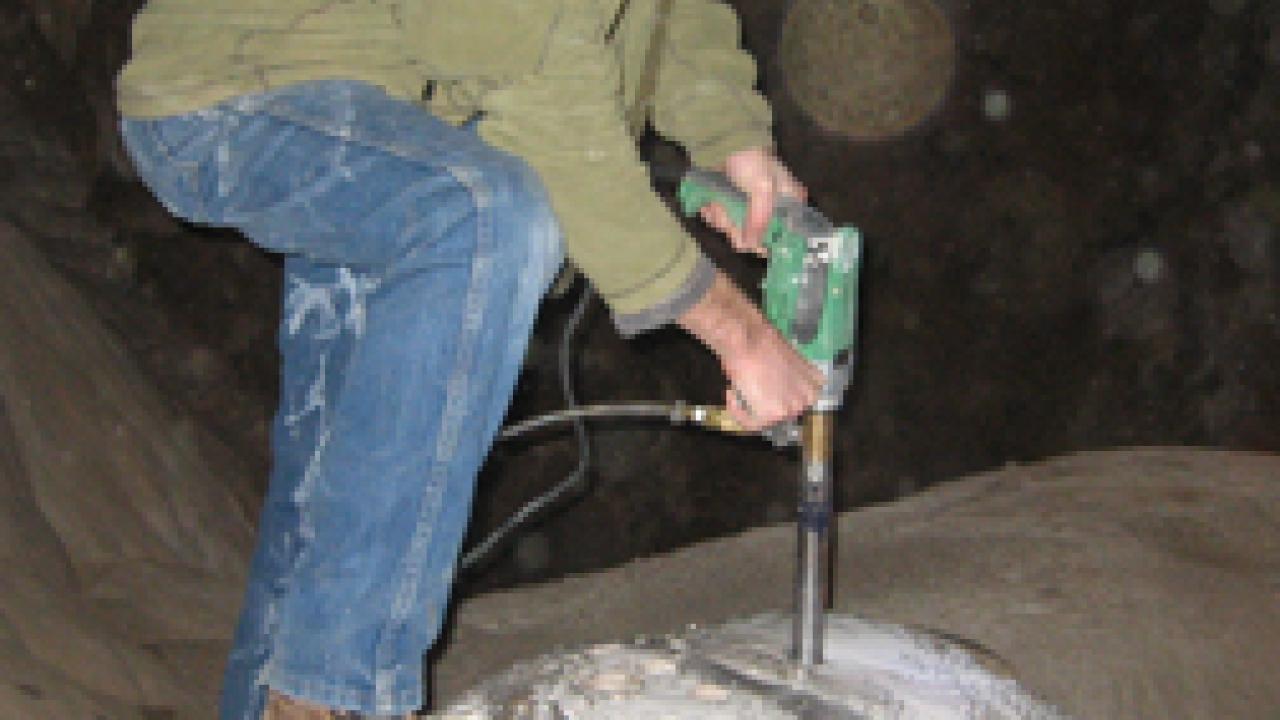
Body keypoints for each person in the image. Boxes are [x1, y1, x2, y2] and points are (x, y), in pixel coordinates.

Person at [115, 1, 823, 717]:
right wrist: (742, 337)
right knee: (484, 218)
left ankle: (294, 686)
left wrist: (732, 136)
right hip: (232, 92)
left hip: (391, 107)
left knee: (332, 491)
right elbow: (550, 105)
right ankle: (333, 695)